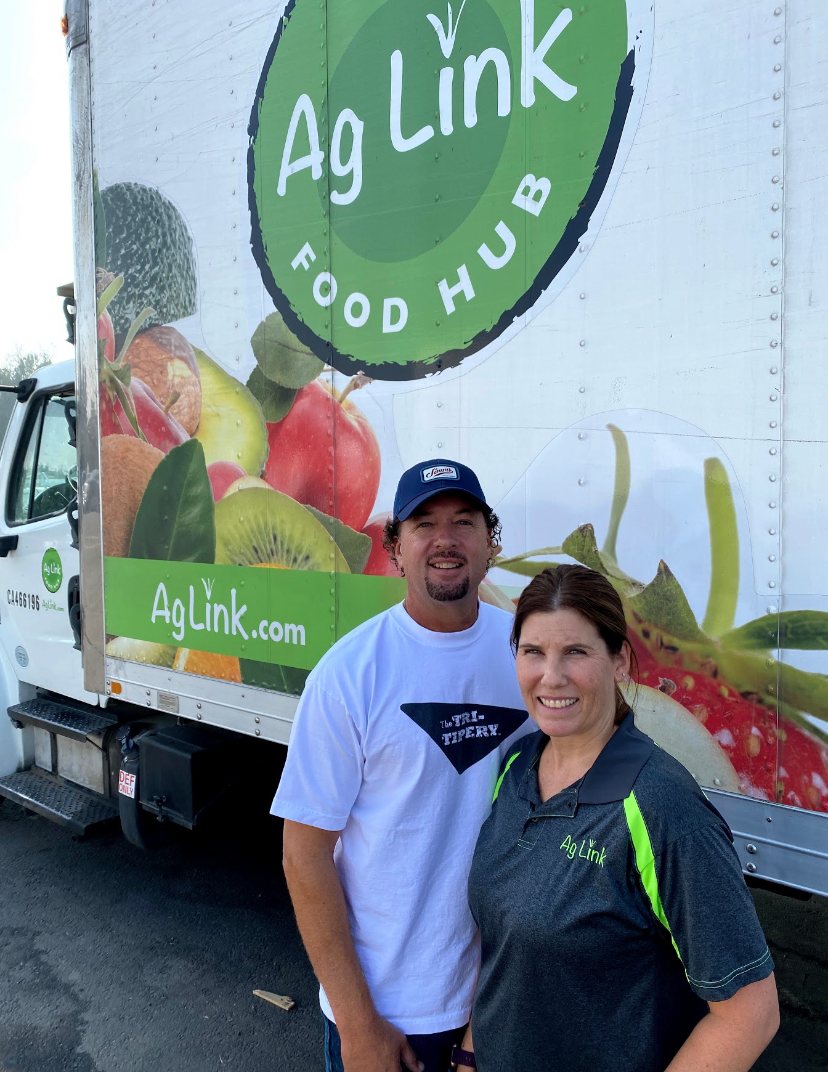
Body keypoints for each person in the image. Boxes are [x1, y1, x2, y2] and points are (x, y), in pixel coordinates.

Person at [461, 564, 779, 1072]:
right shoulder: (517, 767)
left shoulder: (660, 805)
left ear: (620, 662)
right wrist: (468, 1055)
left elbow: (750, 1014)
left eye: (576, 652)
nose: (552, 676)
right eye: (533, 652)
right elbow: (507, 948)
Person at [271, 459, 530, 1072]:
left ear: (490, 543)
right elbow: (303, 855)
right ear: (395, 548)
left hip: (495, 1007)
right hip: (385, 1014)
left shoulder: (528, 656)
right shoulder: (349, 673)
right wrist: (359, 1024)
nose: (445, 540)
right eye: (424, 524)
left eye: (463, 522)